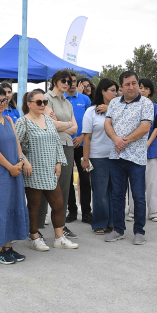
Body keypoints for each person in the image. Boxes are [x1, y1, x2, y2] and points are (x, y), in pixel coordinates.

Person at [16, 89, 79, 251]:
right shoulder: (23, 122)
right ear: (29, 104)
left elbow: (57, 142)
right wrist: (24, 161)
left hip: (50, 170)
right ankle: (34, 237)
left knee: (58, 204)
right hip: (33, 171)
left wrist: (59, 162)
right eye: (39, 102)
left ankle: (59, 238)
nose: (43, 104)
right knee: (34, 207)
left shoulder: (49, 120)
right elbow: (15, 145)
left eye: (44, 102)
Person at [0, 84, 30, 264]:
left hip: (14, 170)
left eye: (4, 100)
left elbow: (17, 144)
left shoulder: (9, 120)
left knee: (12, 206)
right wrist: (10, 166)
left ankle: (8, 247)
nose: (2, 103)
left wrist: (19, 161)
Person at [104, 71, 154, 245]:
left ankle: (139, 231)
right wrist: (116, 139)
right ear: (121, 87)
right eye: (127, 84)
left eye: (134, 83)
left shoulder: (146, 103)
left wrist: (125, 141)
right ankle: (118, 229)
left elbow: (145, 127)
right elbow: (107, 123)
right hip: (116, 156)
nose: (131, 87)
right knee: (117, 195)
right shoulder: (114, 103)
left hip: (136, 158)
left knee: (139, 196)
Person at [36, 70, 78, 238]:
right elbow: (49, 124)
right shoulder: (45, 99)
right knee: (46, 185)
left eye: (69, 81)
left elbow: (75, 128)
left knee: (64, 187)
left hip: (67, 145)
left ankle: (61, 226)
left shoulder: (68, 103)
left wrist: (63, 124)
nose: (66, 83)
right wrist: (67, 124)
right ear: (55, 81)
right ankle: (36, 226)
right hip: (50, 145)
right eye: (63, 80)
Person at [81, 78, 119, 235]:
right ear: (103, 91)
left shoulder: (118, 110)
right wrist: (85, 158)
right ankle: (100, 223)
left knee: (115, 192)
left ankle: (113, 222)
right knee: (100, 192)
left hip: (117, 156)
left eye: (116, 90)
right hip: (98, 157)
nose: (115, 93)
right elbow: (87, 137)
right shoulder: (91, 111)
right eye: (112, 90)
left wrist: (110, 109)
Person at [127, 77, 157, 222]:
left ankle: (153, 212)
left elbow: (156, 127)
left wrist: (147, 143)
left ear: (150, 91)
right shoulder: (130, 106)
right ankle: (133, 212)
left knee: (152, 182)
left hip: (151, 150)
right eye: (140, 87)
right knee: (134, 182)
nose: (142, 90)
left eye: (146, 88)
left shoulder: (156, 107)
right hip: (133, 149)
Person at [65, 73, 92, 224]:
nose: (72, 84)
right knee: (67, 180)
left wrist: (82, 137)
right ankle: (72, 211)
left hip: (82, 145)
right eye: (69, 82)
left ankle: (87, 212)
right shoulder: (60, 99)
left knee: (85, 180)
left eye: (74, 81)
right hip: (67, 145)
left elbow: (90, 122)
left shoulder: (85, 99)